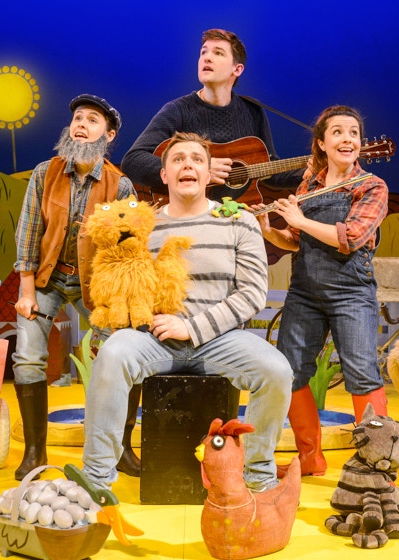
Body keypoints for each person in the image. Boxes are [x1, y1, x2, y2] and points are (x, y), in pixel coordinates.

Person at [82, 132, 293, 492]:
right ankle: (96, 482)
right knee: (113, 355)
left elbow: (253, 293)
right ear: (163, 175)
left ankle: (258, 478)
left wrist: (192, 328)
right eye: (177, 159)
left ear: (210, 173)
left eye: (196, 159)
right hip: (156, 339)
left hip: (221, 339)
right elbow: (123, 277)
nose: (187, 165)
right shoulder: (142, 224)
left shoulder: (238, 221)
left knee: (276, 371)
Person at [254, 105, 389, 477]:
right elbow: (297, 241)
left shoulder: (372, 186)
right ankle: (310, 457)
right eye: (338, 133)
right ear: (321, 143)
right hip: (305, 293)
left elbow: (353, 237)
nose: (347, 139)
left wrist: (299, 218)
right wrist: (270, 229)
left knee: (362, 372)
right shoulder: (308, 187)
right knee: (290, 372)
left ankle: (375, 463)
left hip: (351, 292)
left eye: (353, 133)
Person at [12, 94, 135, 481]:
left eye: (92, 120)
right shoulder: (43, 173)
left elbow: (128, 249)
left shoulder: (121, 185)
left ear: (108, 134)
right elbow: (29, 233)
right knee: (28, 356)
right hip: (48, 278)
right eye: (77, 118)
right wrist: (27, 291)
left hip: (95, 286)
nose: (81, 124)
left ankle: (120, 448)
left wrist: (114, 310)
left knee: (116, 360)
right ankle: (34, 452)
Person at [120, 28, 304, 202]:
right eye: (203, 52)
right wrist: (200, 168)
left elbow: (270, 173)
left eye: (218, 53)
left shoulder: (252, 111)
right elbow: (133, 161)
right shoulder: (177, 110)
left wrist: (307, 172)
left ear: (237, 69)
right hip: (187, 214)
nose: (207, 58)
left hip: (238, 216)